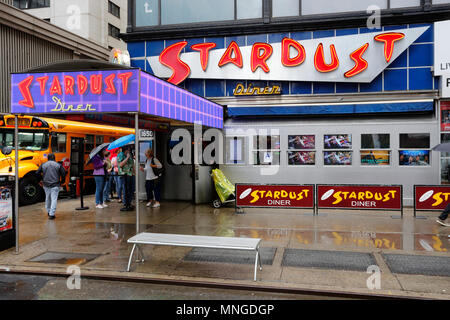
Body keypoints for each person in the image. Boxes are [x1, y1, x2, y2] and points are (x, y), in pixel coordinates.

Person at [36, 153, 66, 220]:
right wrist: (62, 181)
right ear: (54, 158)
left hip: (46, 184)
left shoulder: (43, 165)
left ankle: (48, 211)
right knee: (54, 199)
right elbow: (63, 173)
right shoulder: (58, 165)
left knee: (47, 198)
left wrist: (40, 180)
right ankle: (52, 214)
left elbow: (37, 173)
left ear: (48, 158)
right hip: (55, 184)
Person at [118, 146, 134, 212]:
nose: (130, 150)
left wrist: (134, 172)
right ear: (126, 149)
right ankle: (126, 204)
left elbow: (132, 164)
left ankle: (129, 203)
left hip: (130, 174)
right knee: (126, 189)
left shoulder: (130, 154)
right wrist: (127, 158)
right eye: (128, 149)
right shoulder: (121, 155)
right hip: (124, 174)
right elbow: (120, 165)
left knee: (131, 189)